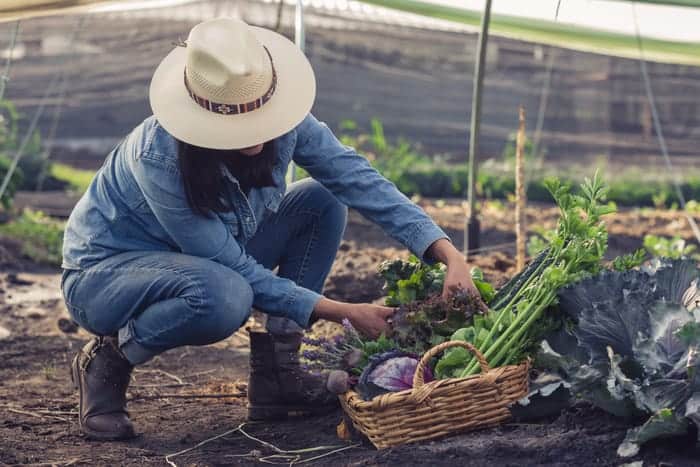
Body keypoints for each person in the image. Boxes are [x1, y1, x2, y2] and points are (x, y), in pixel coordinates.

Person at [60, 17, 484, 441]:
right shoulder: (159, 158)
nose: (256, 136)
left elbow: (357, 179)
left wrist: (446, 252)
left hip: (204, 264)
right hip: (107, 277)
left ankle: (279, 378)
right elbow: (231, 266)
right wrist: (342, 312)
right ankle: (109, 359)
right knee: (225, 296)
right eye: (238, 123)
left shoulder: (286, 119)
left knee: (321, 200)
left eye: (259, 114)